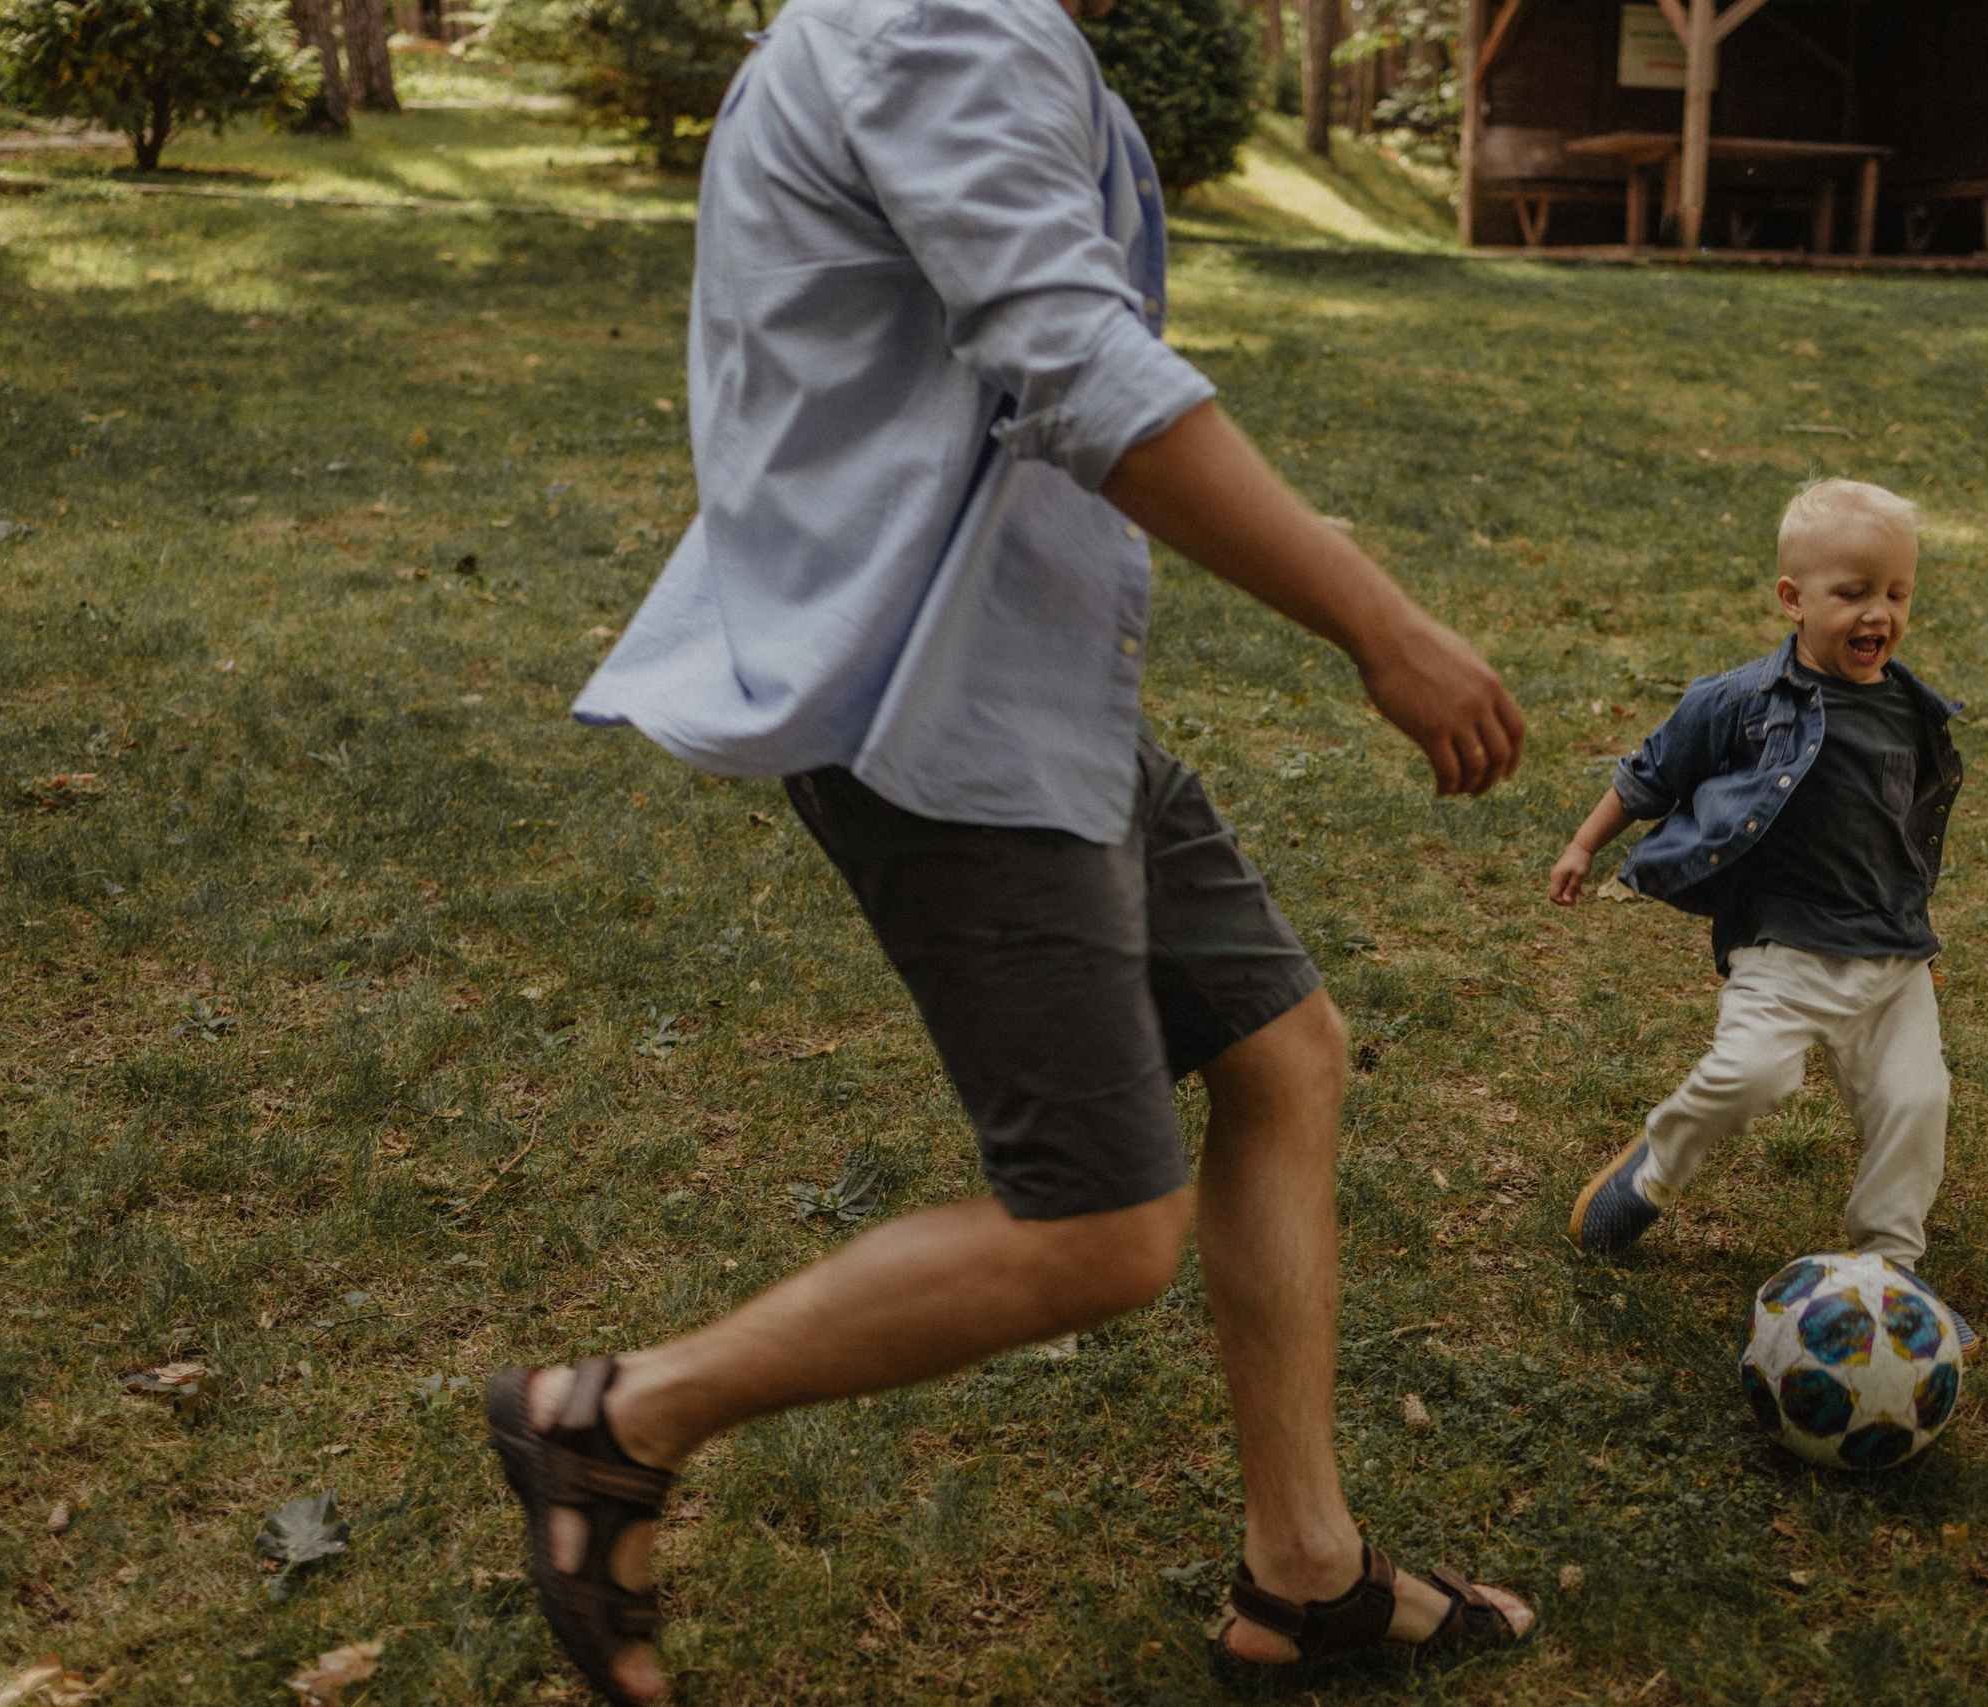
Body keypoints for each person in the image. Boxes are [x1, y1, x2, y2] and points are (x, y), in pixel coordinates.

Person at [481, 2, 1535, 1700]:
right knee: (1103, 1229)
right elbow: (1077, 368)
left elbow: (1002, 353)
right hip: (941, 719)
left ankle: (1304, 1574)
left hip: (1033, 682)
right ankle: (609, 1421)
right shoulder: (942, 20)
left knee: (1282, 1051)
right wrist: (1380, 624)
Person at [1546, 480, 1979, 1355]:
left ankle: (1891, 1267)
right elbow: (1651, 773)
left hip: (1891, 956)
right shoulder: (1741, 700)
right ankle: (1656, 1165)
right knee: (1751, 1076)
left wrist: (1910, 918)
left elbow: (1900, 828)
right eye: (1853, 592)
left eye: (1897, 593)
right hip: (1785, 949)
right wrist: (1586, 845)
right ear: (1793, 598)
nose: (1879, 613)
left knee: (1917, 1098)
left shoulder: (1910, 710)